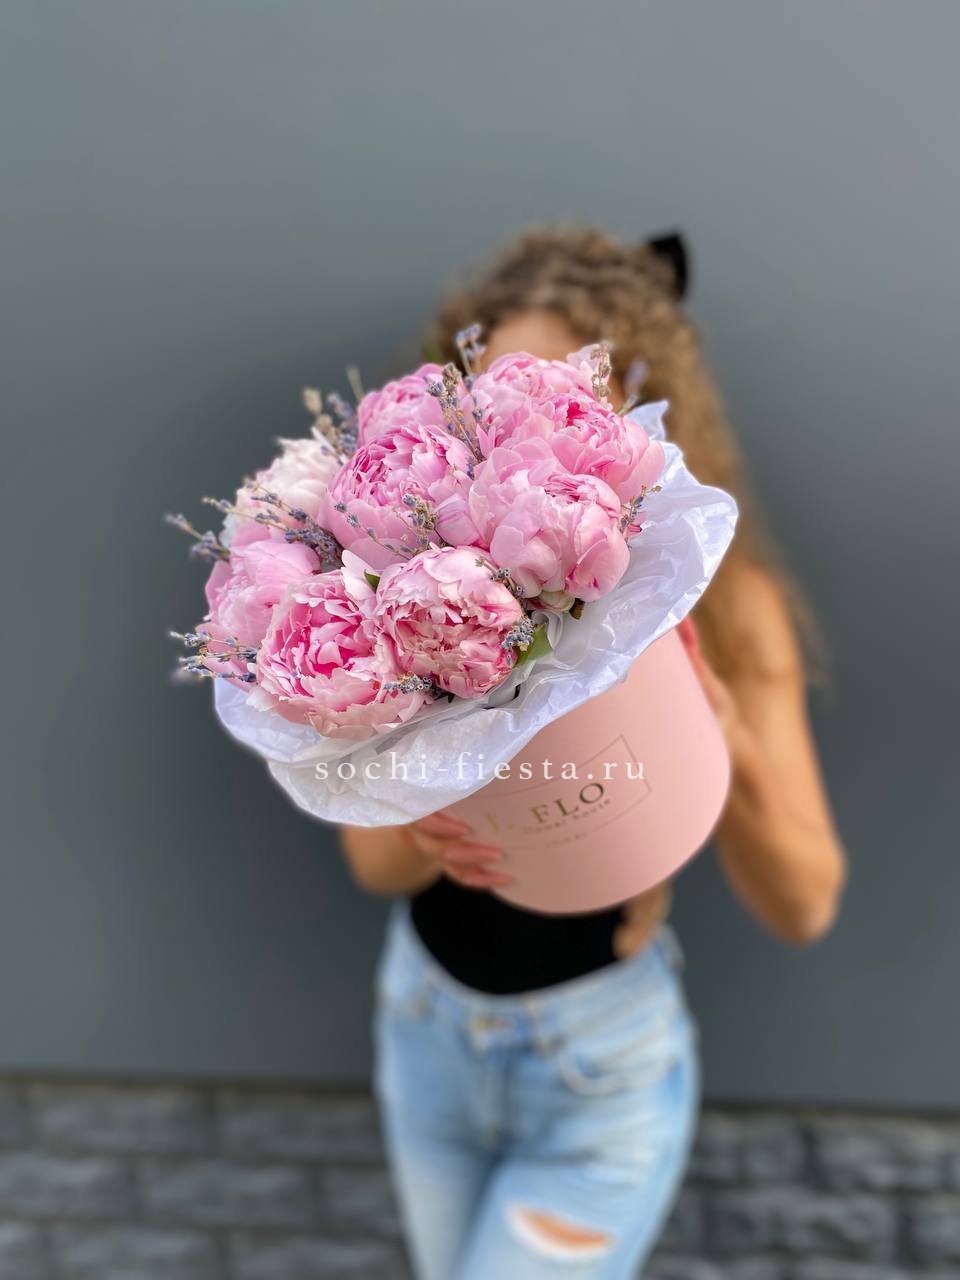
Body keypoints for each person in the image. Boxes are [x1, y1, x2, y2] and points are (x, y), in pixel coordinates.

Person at [339, 226, 847, 1279]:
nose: (518, 432)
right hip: (425, 1024)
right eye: (496, 396)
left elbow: (805, 903)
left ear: (630, 412)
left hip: (595, 1063)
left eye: (559, 396)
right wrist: (432, 805)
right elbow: (375, 866)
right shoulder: (410, 602)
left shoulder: (729, 605)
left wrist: (723, 732)